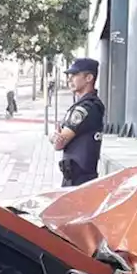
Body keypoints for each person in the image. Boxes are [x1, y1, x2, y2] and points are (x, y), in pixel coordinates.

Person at [49, 58, 106, 187]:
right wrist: (55, 137)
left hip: (80, 180)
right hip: (77, 178)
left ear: (89, 78)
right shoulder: (86, 105)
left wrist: (54, 137)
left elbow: (60, 142)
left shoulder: (86, 108)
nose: (70, 79)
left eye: (75, 75)